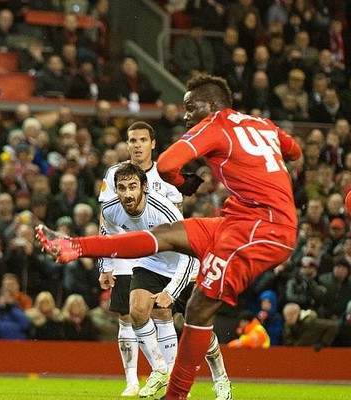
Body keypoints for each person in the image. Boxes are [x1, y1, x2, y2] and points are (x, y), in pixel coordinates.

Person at [37, 74, 302, 400]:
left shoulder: (215, 125)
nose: (187, 114)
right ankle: (75, 246)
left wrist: (182, 180)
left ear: (214, 105)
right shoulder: (262, 124)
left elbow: (166, 165)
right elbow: (294, 150)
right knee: (162, 236)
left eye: (191, 107)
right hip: (238, 219)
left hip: (264, 228)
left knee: (198, 309)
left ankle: (176, 395)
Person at [98, 162, 230, 399]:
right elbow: (107, 235)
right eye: (121, 188)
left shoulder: (164, 210)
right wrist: (105, 267)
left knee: (200, 328)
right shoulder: (110, 210)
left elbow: (188, 255)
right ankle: (160, 369)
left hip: (186, 264)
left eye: (132, 187)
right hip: (150, 263)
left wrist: (171, 290)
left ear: (144, 187)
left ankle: (221, 379)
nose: (127, 194)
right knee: (137, 311)